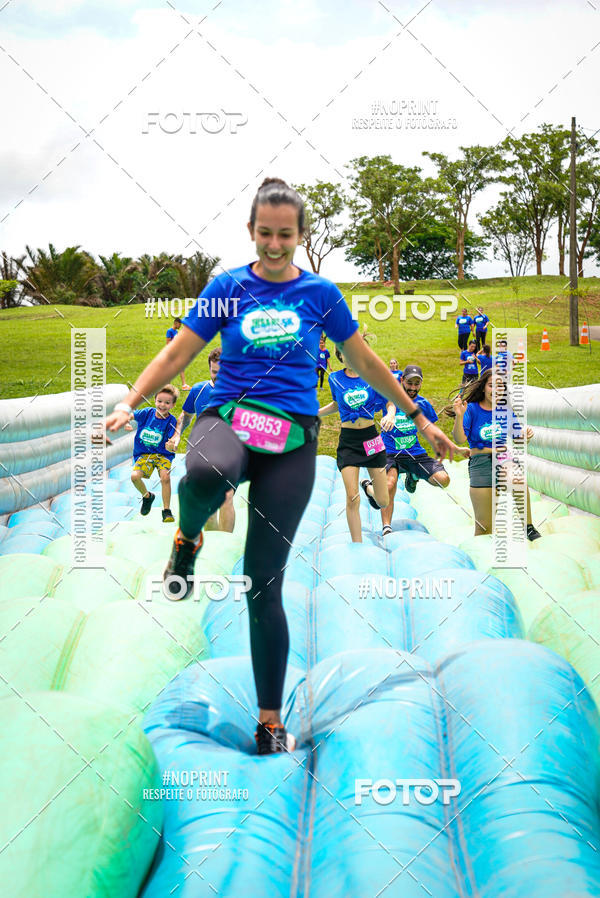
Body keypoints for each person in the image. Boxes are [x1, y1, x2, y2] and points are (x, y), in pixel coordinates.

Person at [101, 177, 456, 756]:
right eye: (264, 233)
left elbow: (363, 360)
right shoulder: (228, 288)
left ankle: (270, 721)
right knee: (204, 474)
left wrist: (418, 416)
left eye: (284, 235)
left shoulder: (320, 295)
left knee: (265, 586)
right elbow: (178, 353)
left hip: (292, 441)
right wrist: (130, 399)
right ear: (250, 231)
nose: (273, 244)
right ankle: (186, 539)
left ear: (299, 235)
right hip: (231, 417)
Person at [362, 365, 466, 536]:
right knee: (390, 484)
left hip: (414, 453)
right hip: (389, 452)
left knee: (443, 479)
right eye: (409, 382)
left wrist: (455, 446)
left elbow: (431, 430)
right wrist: (389, 415)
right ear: (402, 380)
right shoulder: (389, 397)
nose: (412, 387)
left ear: (421, 384)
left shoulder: (423, 404)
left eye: (416, 383)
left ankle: (413, 475)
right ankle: (386, 526)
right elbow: (380, 402)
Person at [449, 368, 541, 540]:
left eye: (501, 387)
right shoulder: (472, 409)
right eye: (492, 385)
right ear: (484, 387)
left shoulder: (505, 410)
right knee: (484, 527)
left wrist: (524, 436)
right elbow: (460, 438)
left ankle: (528, 527)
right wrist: (459, 417)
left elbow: (517, 437)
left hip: (503, 458)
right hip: (480, 462)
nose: (496, 390)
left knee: (517, 480)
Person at [318, 341, 393, 542]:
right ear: (340, 356)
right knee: (352, 498)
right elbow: (336, 403)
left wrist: (391, 414)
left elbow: (389, 400)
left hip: (372, 439)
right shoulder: (335, 379)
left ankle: (368, 487)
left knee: (383, 501)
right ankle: (357, 545)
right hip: (349, 442)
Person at [172, 347, 235, 533]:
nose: (218, 376)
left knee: (226, 496)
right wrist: (176, 435)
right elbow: (186, 416)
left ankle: (226, 544)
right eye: (214, 372)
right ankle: (214, 541)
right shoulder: (199, 391)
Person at [125, 385, 179, 522]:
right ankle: (147, 496)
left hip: (163, 454)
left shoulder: (171, 421)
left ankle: (166, 511)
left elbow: (173, 440)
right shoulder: (147, 413)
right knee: (134, 477)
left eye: (167, 402)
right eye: (160, 401)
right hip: (144, 453)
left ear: (173, 405)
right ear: (155, 400)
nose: (162, 405)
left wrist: (172, 445)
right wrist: (126, 422)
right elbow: (129, 415)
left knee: (165, 477)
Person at [166, 318, 191, 390]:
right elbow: (168, 343)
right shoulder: (169, 331)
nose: (180, 326)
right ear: (176, 323)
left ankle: (183, 385)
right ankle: (168, 385)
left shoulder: (176, 331)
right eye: (180, 324)